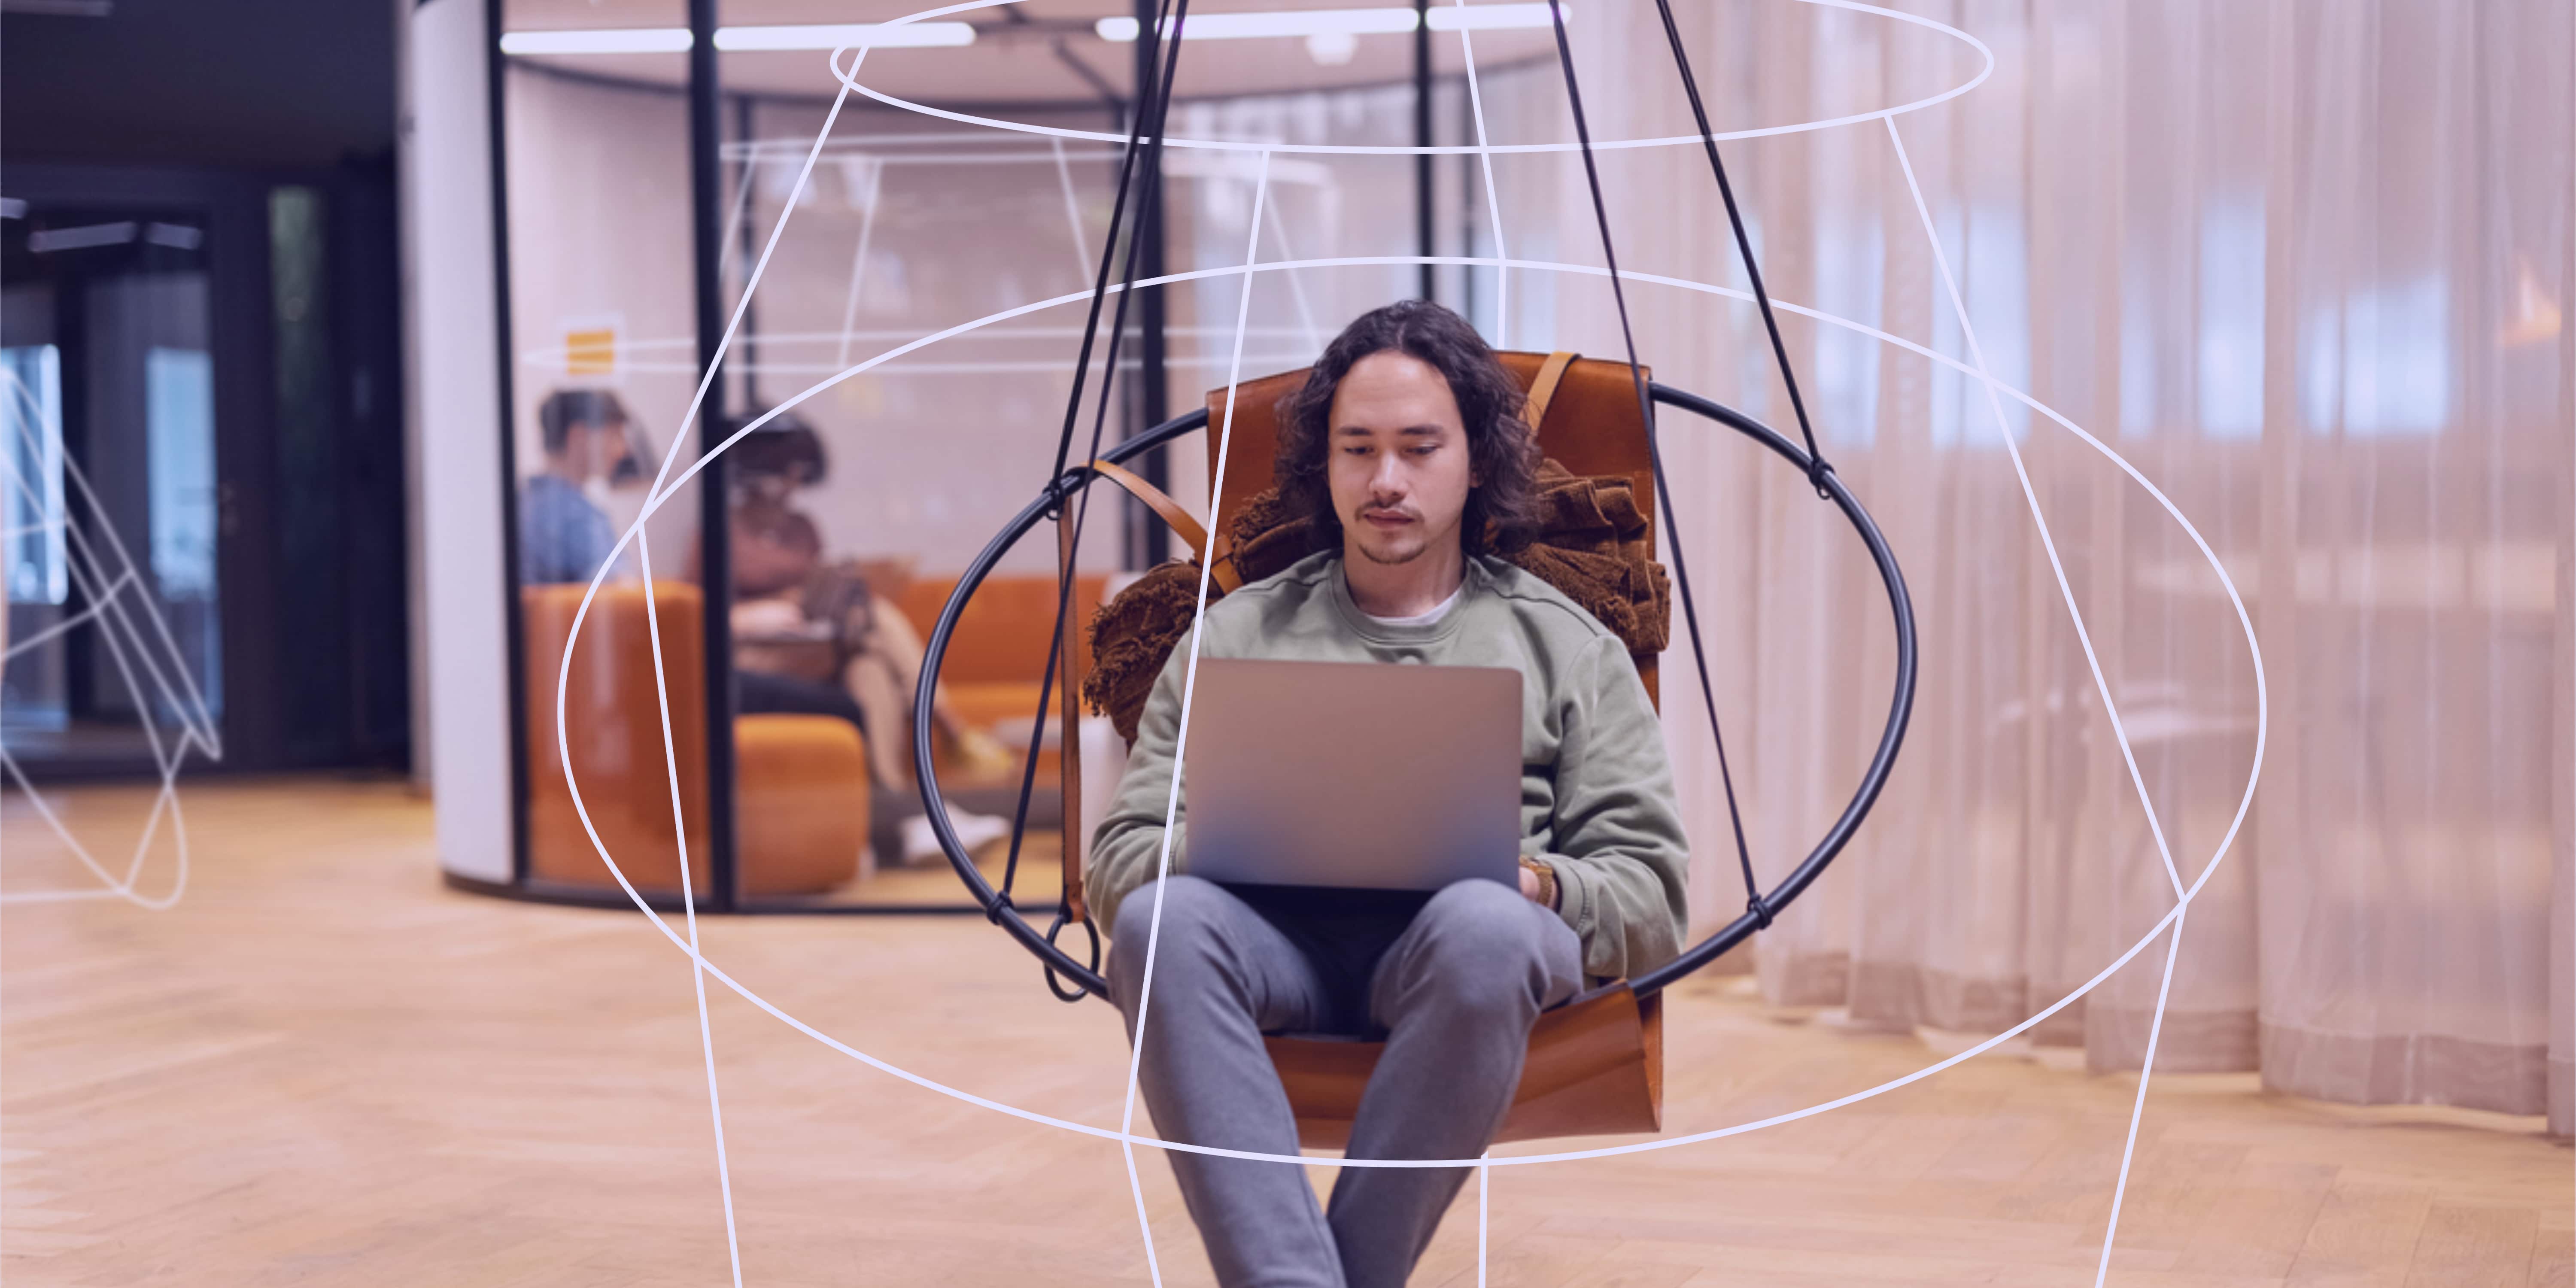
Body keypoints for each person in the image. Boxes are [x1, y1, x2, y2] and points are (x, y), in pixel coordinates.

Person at [1088, 301, 1690, 1288]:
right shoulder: (1234, 635)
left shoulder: (1566, 644)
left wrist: (1532, 882)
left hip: (1467, 961)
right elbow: (1120, 866)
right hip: (1278, 952)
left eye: (1419, 447)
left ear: (1475, 462)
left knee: (1485, 925)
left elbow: (1652, 898)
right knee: (1161, 921)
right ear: (1322, 469)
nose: (1387, 481)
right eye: (1357, 449)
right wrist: (1256, 839)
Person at [519, 389, 638, 586]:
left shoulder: (523, 501)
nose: (623, 450)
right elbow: (620, 593)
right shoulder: (578, 517)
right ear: (579, 437)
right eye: (615, 435)